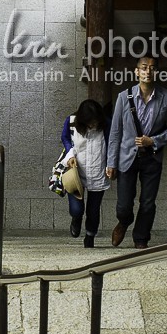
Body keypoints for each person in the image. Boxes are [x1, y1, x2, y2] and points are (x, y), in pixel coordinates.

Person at [105, 55, 167, 249]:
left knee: (148, 202)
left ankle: (141, 238)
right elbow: (115, 132)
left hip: (152, 158)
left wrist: (153, 140)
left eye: (152, 68)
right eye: (144, 68)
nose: (148, 71)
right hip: (126, 157)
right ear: (137, 71)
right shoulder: (123, 97)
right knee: (123, 206)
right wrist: (111, 162)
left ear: (157, 72)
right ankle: (124, 222)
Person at [56, 99, 110, 247]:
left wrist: (112, 164)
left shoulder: (106, 124)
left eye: (95, 122)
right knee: (76, 209)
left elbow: (113, 143)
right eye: (90, 122)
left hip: (98, 172)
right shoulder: (72, 121)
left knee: (93, 210)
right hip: (76, 172)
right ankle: (76, 218)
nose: (93, 125)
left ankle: (90, 236)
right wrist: (70, 155)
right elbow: (65, 138)